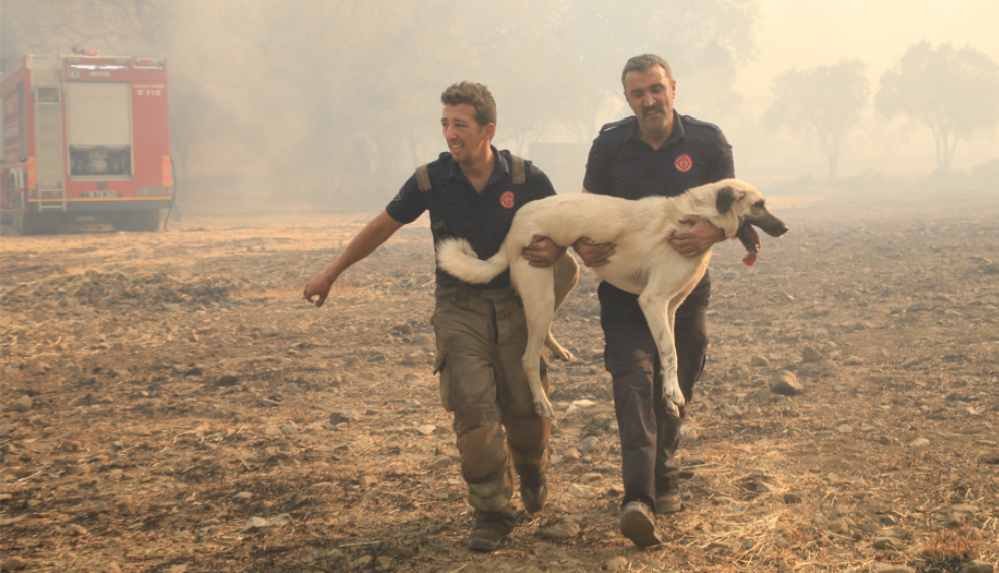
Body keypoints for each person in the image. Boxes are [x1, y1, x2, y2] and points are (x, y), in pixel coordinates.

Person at [303, 81, 568, 552]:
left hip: (516, 310)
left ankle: (531, 469)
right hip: (458, 310)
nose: (449, 133)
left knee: (526, 412)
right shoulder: (430, 180)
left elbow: (568, 229)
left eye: (460, 125)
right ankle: (490, 510)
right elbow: (384, 225)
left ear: (488, 129)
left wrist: (559, 247)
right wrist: (332, 271)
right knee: (474, 412)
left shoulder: (527, 179)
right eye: (445, 124)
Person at [578, 54, 739, 547]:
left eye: (656, 89)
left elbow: (736, 210)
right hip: (625, 290)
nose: (649, 100)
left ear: (674, 89)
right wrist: (581, 244)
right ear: (627, 99)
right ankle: (638, 498)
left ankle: (664, 470)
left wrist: (713, 232)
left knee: (678, 377)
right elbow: (588, 209)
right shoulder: (609, 146)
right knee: (633, 380)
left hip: (685, 291)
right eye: (638, 93)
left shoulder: (709, 143)